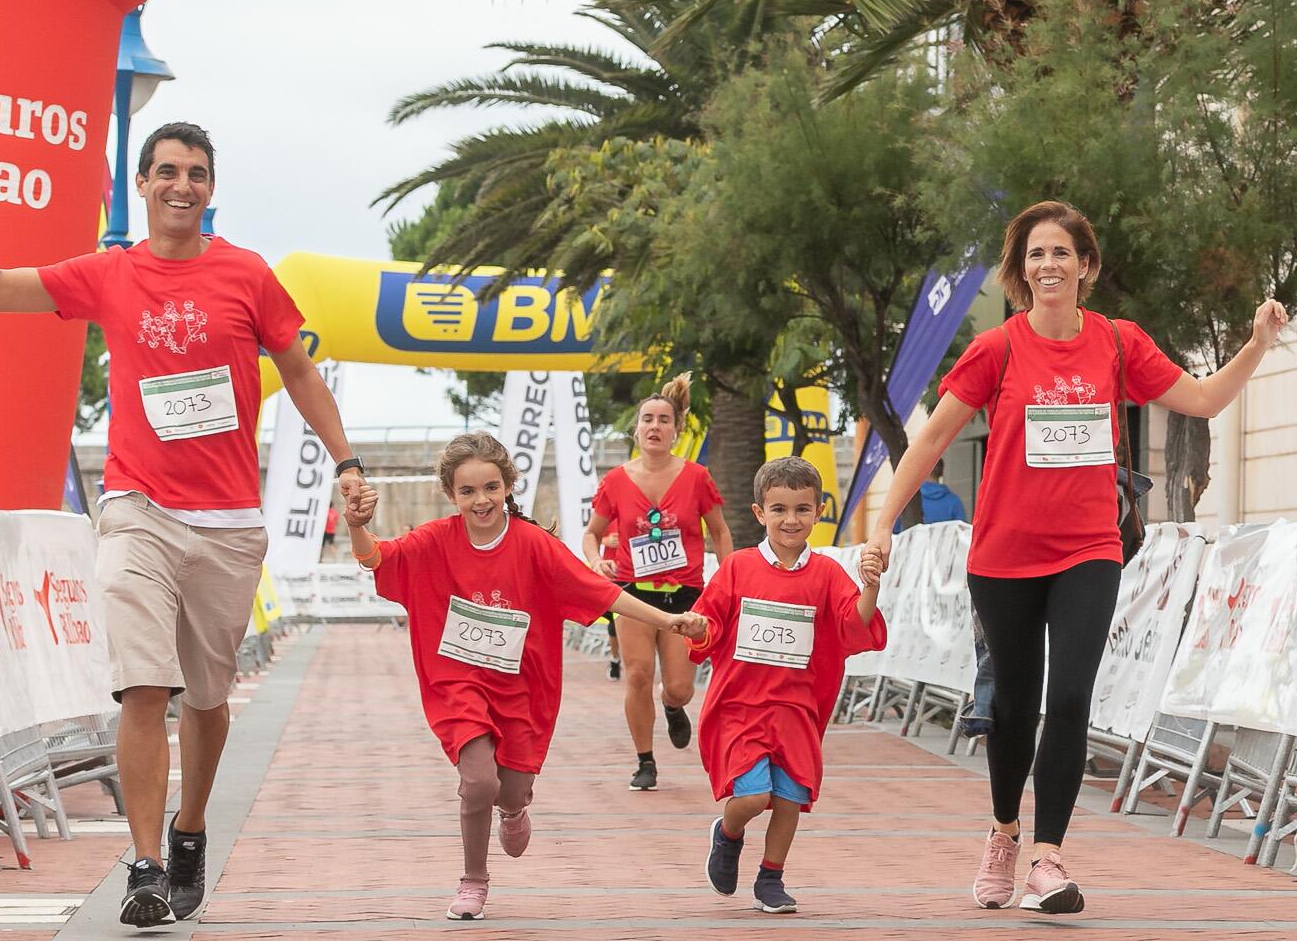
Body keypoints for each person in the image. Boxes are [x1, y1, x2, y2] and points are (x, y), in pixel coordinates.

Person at [0, 123, 371, 928]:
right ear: (138, 186)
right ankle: (142, 866)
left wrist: (346, 463)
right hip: (137, 509)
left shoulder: (247, 275)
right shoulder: (109, 274)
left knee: (208, 700)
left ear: (212, 190)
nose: (182, 184)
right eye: (167, 171)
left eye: (197, 173)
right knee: (144, 685)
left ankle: (189, 829)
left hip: (228, 521)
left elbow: (302, 371)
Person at [871, 200, 1287, 915]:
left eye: (1062, 252)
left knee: (1067, 699)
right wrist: (881, 525)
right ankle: (1004, 832)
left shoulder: (1117, 344)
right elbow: (932, 441)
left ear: (1086, 265)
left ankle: (1047, 859)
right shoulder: (996, 349)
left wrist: (1254, 345)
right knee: (1011, 706)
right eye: (1036, 254)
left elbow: (1202, 399)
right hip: (1002, 554)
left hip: (1089, 549)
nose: (1049, 265)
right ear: (1020, 271)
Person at [341, 433, 702, 921]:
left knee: (507, 789)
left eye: (490, 487)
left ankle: (515, 807)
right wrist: (357, 527)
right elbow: (377, 559)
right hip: (457, 685)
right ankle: (473, 880)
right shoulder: (434, 540)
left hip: (523, 690)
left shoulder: (535, 546)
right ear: (451, 495)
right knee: (478, 781)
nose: (481, 500)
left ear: (507, 485)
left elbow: (602, 593)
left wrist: (668, 620)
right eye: (468, 492)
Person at [688, 457, 888, 914]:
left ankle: (771, 878)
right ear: (760, 513)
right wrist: (696, 627)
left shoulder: (827, 575)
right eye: (779, 509)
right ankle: (729, 833)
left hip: (797, 709)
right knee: (754, 796)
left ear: (819, 512)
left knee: (791, 796)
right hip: (741, 706)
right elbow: (710, 623)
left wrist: (870, 587)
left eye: (802, 509)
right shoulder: (738, 567)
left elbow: (853, 626)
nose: (791, 520)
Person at [581, 373, 734, 790]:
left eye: (663, 420)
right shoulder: (614, 481)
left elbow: (718, 531)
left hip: (685, 595)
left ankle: (671, 706)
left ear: (675, 429)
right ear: (637, 429)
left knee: (682, 688)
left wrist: (730, 576)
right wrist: (597, 562)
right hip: (632, 594)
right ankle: (645, 761)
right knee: (637, 674)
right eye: (647, 419)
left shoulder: (697, 477)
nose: (654, 426)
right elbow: (591, 533)